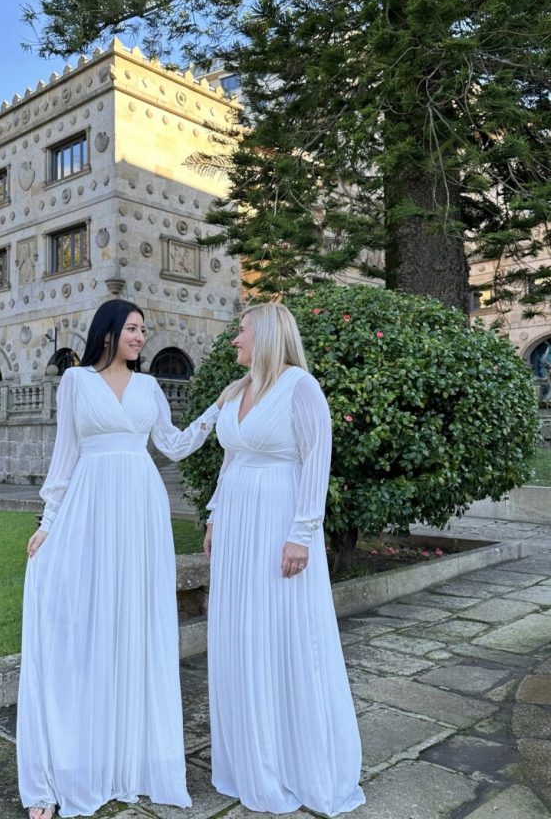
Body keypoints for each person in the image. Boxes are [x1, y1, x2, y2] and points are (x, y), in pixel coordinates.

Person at [17, 299, 220, 819]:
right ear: (107, 331)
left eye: (143, 330)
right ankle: (71, 765)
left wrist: (218, 410)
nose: (140, 337)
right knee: (83, 620)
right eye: (132, 328)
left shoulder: (150, 388)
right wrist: (47, 524)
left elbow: (171, 445)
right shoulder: (76, 383)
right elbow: (65, 456)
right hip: (89, 506)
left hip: (141, 512)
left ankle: (134, 758)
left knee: (137, 623)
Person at [203, 303, 365, 816]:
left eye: (242, 332)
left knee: (280, 633)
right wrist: (212, 516)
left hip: (278, 523)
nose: (235, 341)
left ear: (268, 336)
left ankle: (296, 763)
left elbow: (317, 458)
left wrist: (302, 534)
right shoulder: (237, 391)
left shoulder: (300, 387)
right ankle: (250, 759)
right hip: (235, 525)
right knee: (240, 633)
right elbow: (230, 460)